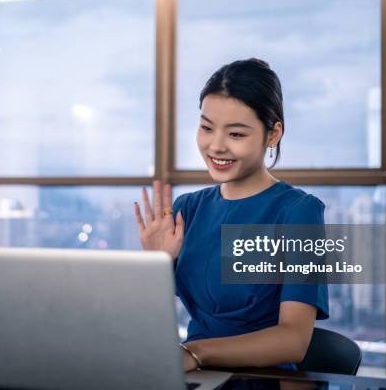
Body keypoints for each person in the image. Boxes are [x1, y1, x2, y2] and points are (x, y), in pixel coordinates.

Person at [133, 58, 329, 372]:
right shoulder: (187, 210)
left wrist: (196, 353)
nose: (216, 146)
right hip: (190, 374)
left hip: (260, 380)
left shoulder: (299, 212)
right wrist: (156, 265)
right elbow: (140, 326)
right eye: (206, 128)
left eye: (236, 134)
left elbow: (294, 339)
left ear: (273, 133)